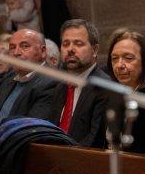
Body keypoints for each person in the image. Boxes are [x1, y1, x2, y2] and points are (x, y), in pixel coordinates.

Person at [45, 19, 109, 148]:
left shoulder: (104, 88)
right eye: (65, 44)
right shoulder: (61, 86)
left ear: (95, 50)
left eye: (78, 44)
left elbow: (94, 141)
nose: (70, 50)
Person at [0, 29, 58, 132]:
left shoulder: (51, 83)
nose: (16, 53)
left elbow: (31, 131)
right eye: (12, 48)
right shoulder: (8, 78)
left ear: (43, 51)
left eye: (25, 46)